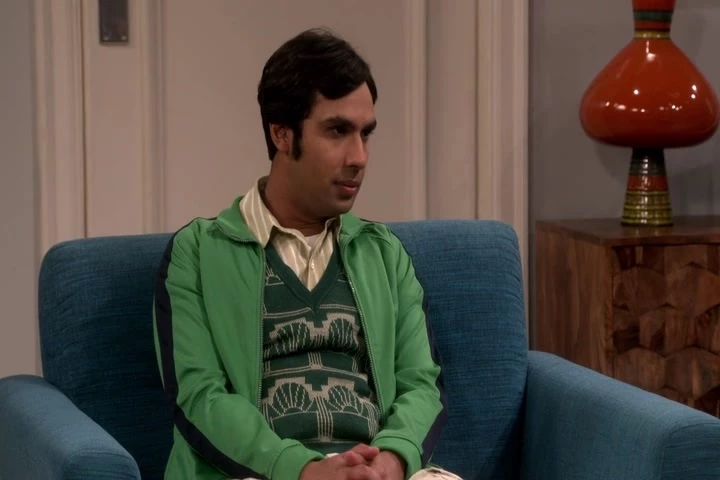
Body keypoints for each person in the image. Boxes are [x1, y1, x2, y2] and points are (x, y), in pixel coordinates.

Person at [153, 28, 461, 480]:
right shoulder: (197, 253)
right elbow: (198, 396)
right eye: (338, 131)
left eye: (366, 134)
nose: (359, 157)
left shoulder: (384, 254)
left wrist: (391, 462)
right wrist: (306, 471)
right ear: (282, 134)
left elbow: (422, 384)